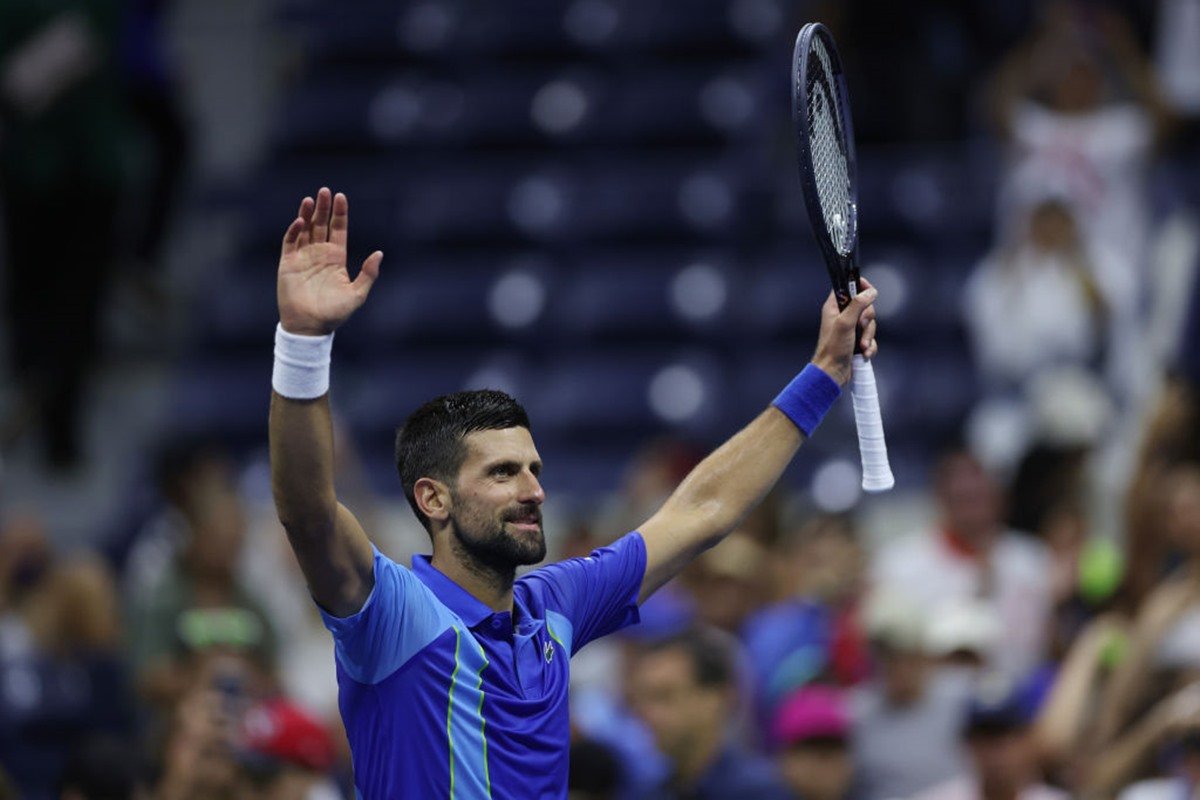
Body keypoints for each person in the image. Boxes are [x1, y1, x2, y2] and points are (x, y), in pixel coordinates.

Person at [267, 187, 879, 798]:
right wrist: (302, 341)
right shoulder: (393, 615)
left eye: (533, 469)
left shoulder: (554, 605)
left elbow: (702, 510)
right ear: (434, 499)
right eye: (503, 473)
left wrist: (824, 372)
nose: (534, 489)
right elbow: (308, 512)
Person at [626, 628, 791, 800]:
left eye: (664, 696)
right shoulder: (649, 790)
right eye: (641, 699)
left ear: (717, 697)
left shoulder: (758, 791)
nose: (645, 713)